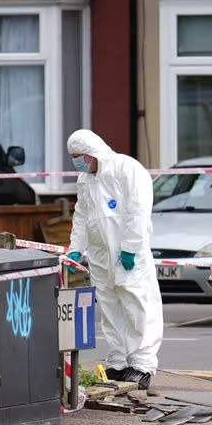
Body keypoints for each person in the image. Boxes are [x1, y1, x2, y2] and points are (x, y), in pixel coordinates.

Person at [65, 129, 163, 390]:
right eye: (74, 158)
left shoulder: (127, 169)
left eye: (80, 156)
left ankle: (142, 365)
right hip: (100, 257)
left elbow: (139, 210)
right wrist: (76, 247)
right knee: (110, 310)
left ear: (92, 152)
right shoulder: (85, 180)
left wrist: (131, 247)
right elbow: (82, 216)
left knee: (138, 306)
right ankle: (118, 362)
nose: (78, 162)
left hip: (128, 255)